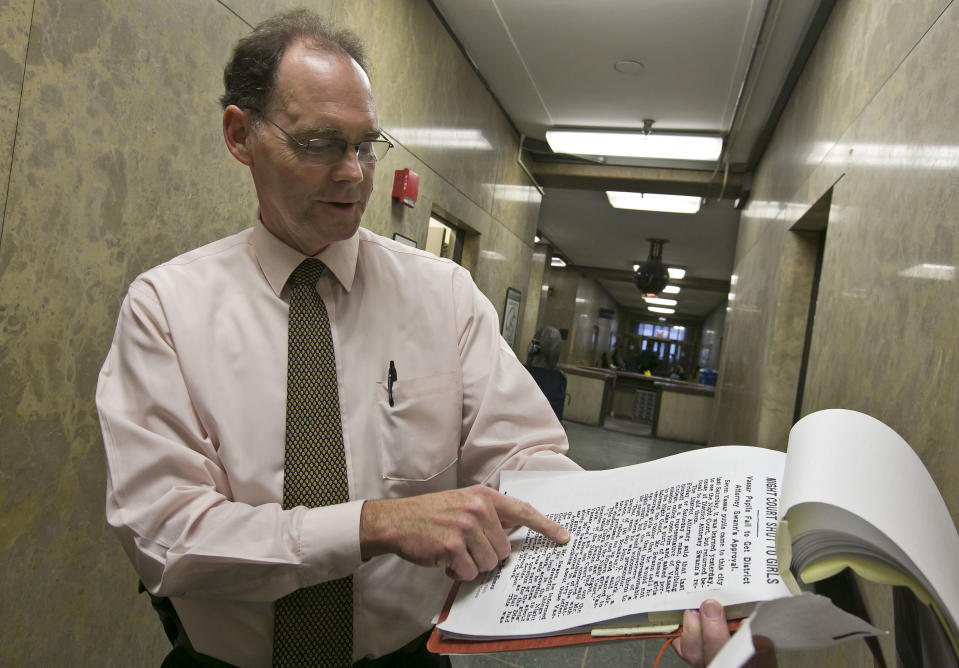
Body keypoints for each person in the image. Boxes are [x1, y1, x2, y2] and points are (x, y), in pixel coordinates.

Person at [95, 9, 747, 668]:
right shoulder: (167, 309)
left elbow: (522, 458)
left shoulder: (443, 295)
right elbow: (164, 533)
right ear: (240, 135)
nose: (353, 173)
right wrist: (371, 524)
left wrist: (648, 563)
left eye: (365, 143)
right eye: (320, 142)